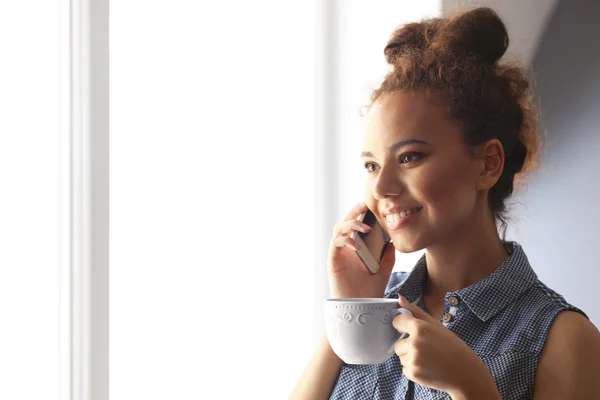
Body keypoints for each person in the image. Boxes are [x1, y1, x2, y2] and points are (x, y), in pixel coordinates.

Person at [289, 6, 600, 400]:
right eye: (371, 165)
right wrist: (348, 311)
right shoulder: (373, 312)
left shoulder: (563, 339)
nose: (381, 186)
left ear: (488, 164)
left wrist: (471, 387)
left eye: (409, 157)